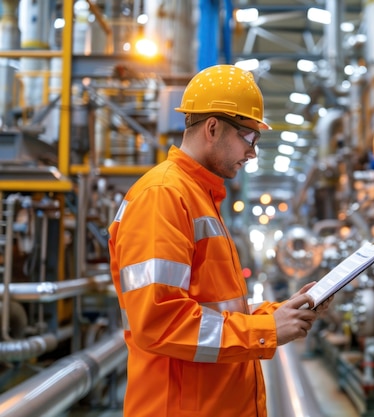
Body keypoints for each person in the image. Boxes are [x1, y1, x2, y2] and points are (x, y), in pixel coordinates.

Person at [108, 64, 331, 417]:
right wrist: (263, 330)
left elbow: (216, 311)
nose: (253, 153)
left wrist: (279, 313)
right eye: (250, 137)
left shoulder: (199, 197)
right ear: (213, 127)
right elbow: (158, 322)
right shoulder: (164, 195)